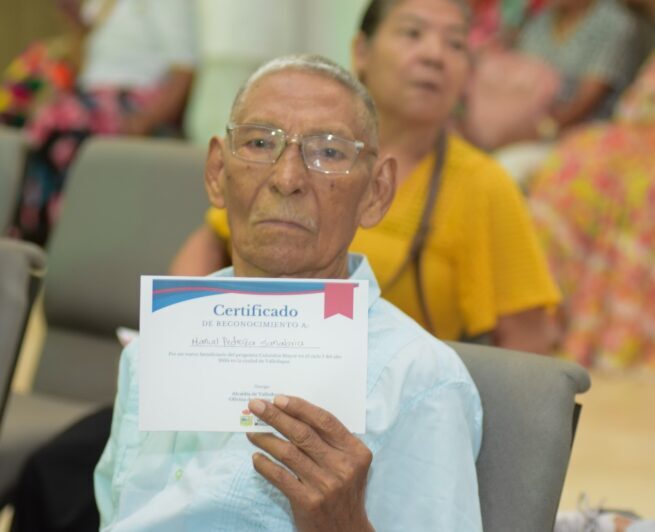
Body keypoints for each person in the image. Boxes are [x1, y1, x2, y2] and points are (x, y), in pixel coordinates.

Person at [94, 54, 483, 531]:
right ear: (217, 172)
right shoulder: (161, 343)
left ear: (376, 193)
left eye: (329, 152)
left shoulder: (418, 379)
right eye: (259, 143)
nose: (287, 179)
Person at [170, 0, 561, 355]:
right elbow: (210, 243)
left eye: (456, 44)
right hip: (256, 364)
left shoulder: (485, 185)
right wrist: (173, 340)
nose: (434, 56)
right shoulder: (287, 161)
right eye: (412, 33)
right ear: (362, 52)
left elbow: (526, 347)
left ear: (376, 192)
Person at [8, 0, 197, 245]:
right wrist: (75, 20)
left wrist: (142, 122)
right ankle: (31, 234)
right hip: (90, 96)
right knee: (25, 120)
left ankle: (47, 236)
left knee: (57, 124)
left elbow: (185, 72)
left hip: (131, 99)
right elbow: (88, 56)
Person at [527, 49, 655, 369]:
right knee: (572, 166)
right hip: (634, 137)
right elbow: (639, 107)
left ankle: (617, 345)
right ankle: (543, 336)